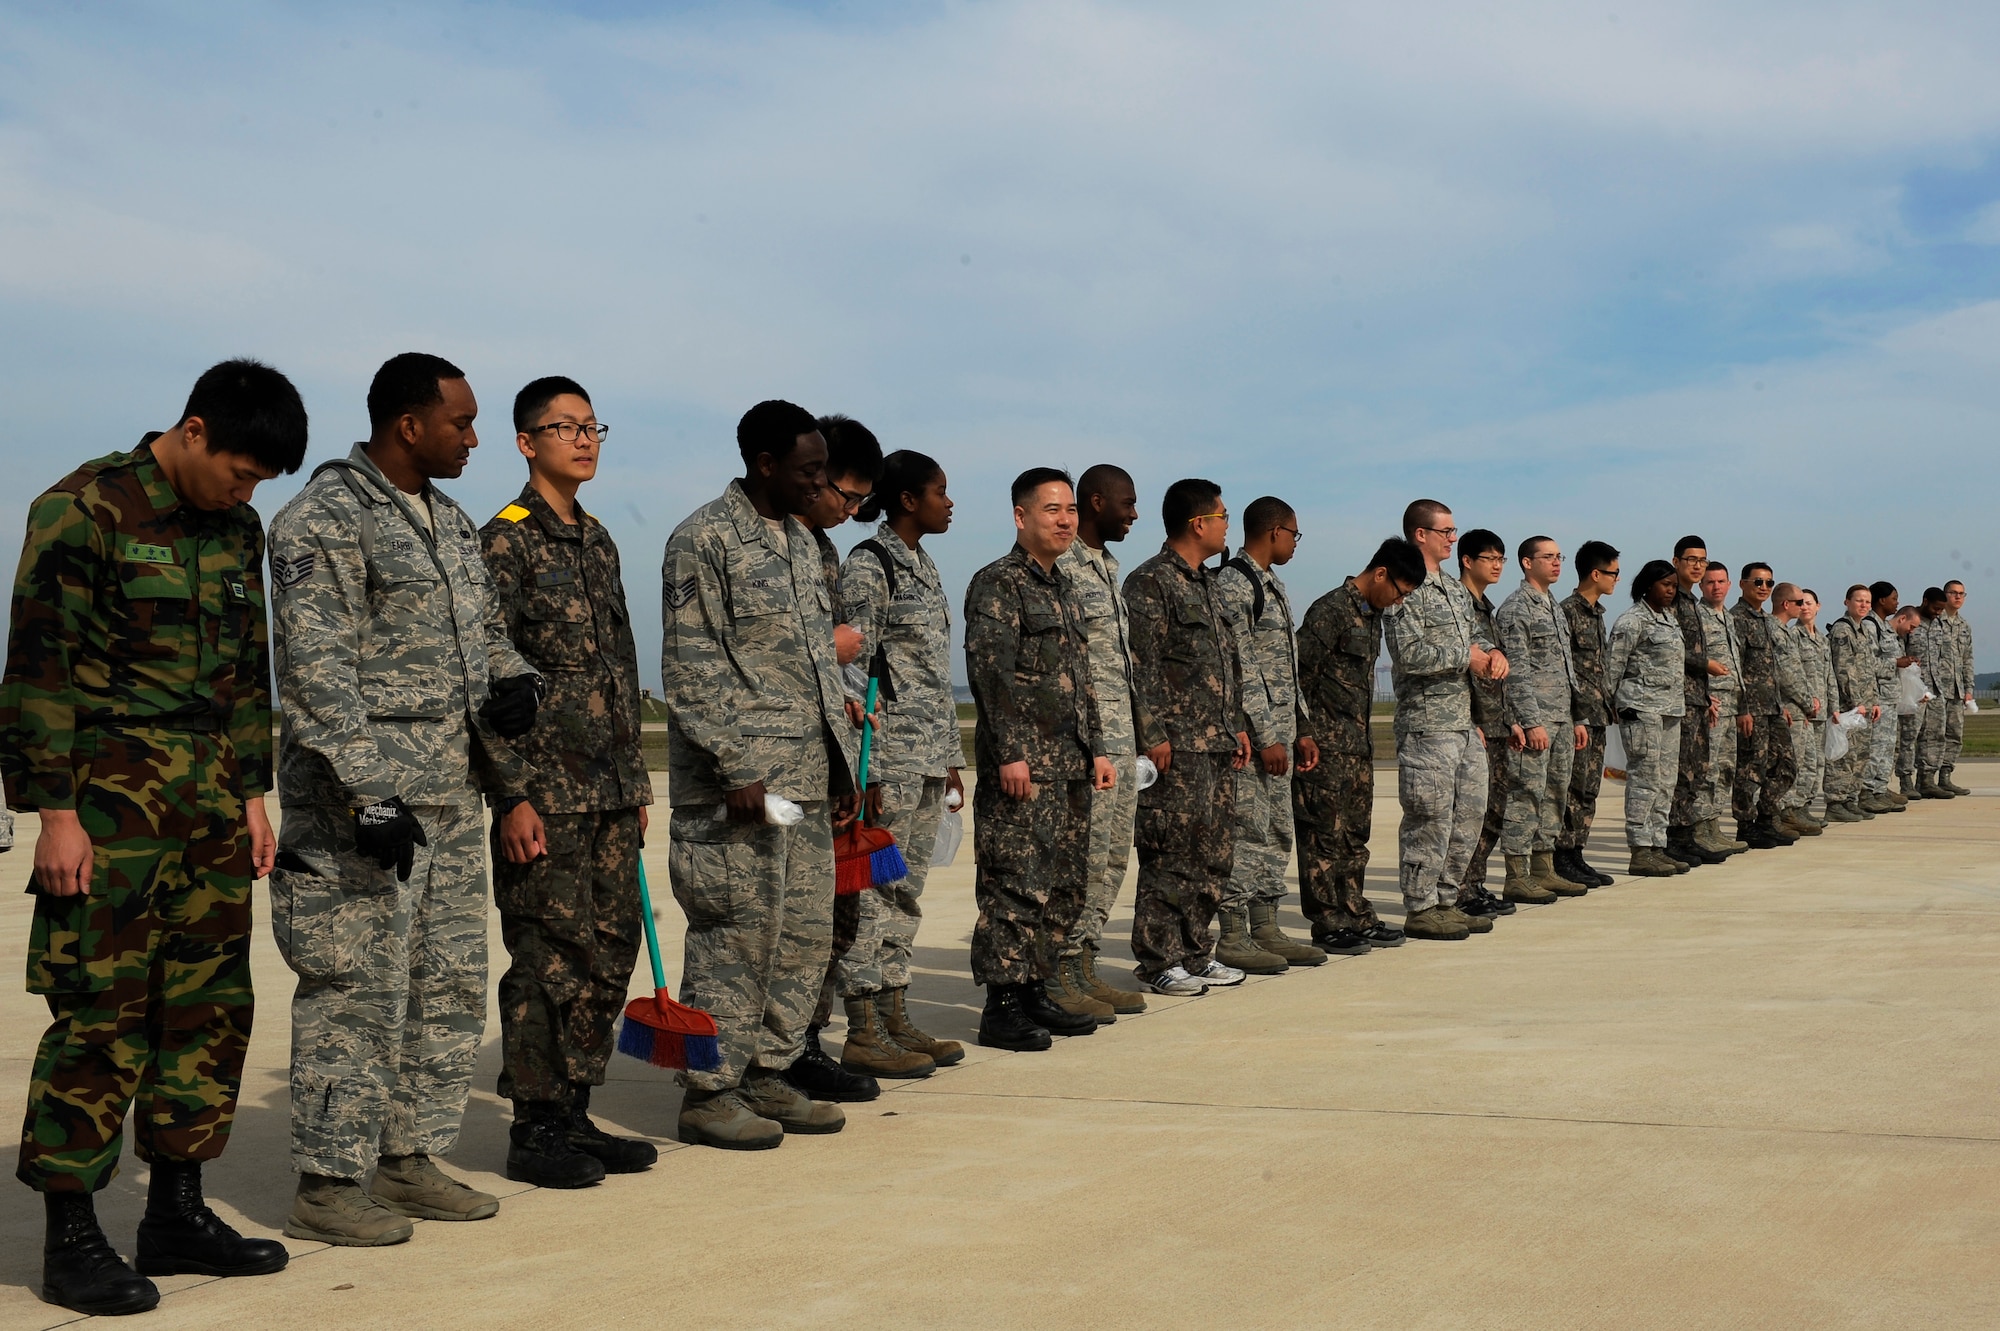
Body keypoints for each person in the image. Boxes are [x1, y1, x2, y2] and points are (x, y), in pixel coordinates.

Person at [1, 361, 305, 1315]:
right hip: (105, 805)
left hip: (211, 801)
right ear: (195, 428)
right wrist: (53, 813)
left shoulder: (235, 528)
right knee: (100, 1015)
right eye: (241, 470)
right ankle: (71, 1236)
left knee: (207, 1011)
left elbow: (246, 673)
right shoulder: (80, 510)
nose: (246, 490)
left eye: (261, 481)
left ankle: (177, 1212)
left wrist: (253, 793)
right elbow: (36, 669)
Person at [270, 353, 544, 1241]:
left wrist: (518, 682)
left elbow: (486, 641)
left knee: (446, 983)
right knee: (356, 989)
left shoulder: (452, 522)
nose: (473, 438)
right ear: (406, 425)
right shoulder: (323, 519)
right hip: (364, 813)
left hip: (449, 805)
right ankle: (327, 1179)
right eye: (460, 423)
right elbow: (317, 673)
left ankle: (408, 1156)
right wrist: (369, 792)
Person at [659, 399, 858, 1149]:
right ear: (765, 464)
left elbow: (810, 662)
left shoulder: (803, 545)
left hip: (804, 780)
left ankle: (770, 1069)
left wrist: (840, 765)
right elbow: (691, 661)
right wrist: (735, 764)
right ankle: (710, 1090)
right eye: (810, 470)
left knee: (801, 937)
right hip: (736, 787)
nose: (821, 483)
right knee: (733, 939)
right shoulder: (703, 540)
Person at [478, 376, 657, 1189]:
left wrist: (637, 784)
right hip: (545, 796)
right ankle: (536, 1122)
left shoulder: (601, 539)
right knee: (547, 956)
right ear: (526, 442)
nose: (584, 440)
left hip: (612, 788)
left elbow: (617, 670)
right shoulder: (506, 540)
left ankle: (577, 1106)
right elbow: (486, 678)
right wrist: (510, 792)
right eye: (565, 427)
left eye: (593, 427)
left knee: (609, 949)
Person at [962, 468, 1116, 1046]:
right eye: (1052, 509)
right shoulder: (998, 583)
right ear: (1020, 516)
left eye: (1071, 509)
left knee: (1063, 885)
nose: (1065, 520)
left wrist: (1096, 748)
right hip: (1024, 766)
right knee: (1014, 885)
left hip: (1069, 765)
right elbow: (990, 675)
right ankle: (1002, 1005)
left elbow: (1083, 680)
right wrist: (1009, 753)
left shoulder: (1066, 589)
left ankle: (1035, 989)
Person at [832, 448, 967, 1071]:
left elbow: (933, 675)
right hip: (885, 760)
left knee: (907, 893)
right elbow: (854, 670)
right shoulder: (870, 565)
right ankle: (862, 1028)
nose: (949, 502)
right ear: (908, 500)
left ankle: (895, 1017)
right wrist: (868, 771)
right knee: (874, 894)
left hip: (927, 756)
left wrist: (952, 756)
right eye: (940, 491)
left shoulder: (925, 566)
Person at [786, 414, 891, 1102]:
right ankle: (777, 1051)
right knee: (788, 925)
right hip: (780, 769)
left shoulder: (821, 550)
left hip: (834, 763)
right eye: (845, 495)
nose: (850, 512)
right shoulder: (752, 545)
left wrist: (845, 702)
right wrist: (832, 652)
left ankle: (807, 1043)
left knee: (834, 917)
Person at [1125, 478, 1254, 991]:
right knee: (1171, 854)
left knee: (1213, 855)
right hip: (1176, 748)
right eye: (1223, 517)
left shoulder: (1206, 583)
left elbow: (1225, 667)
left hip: (1217, 744)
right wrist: (1151, 732)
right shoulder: (1151, 582)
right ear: (1198, 523)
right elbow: (1138, 665)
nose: (1228, 525)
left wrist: (1237, 726)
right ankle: (1159, 960)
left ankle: (1197, 953)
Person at [1051, 464, 1154, 1015]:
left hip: (1119, 741)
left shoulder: (1107, 568)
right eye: (1127, 503)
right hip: (1085, 744)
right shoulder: (1062, 568)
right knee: (1083, 862)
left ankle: (1083, 965)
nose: (1134, 513)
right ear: (1096, 502)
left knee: (1112, 860)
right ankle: (1060, 970)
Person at [1213, 496, 1327, 970]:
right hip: (1256, 738)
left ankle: (1266, 926)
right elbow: (1239, 666)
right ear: (1274, 531)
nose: (1296, 543)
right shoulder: (1235, 584)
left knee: (1277, 830)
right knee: (1246, 831)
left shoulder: (1271, 583)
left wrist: (1300, 727)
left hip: (1281, 729)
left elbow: (1286, 666)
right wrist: (1263, 735)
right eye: (1294, 534)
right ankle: (1234, 934)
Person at [1293, 541, 1424, 953]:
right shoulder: (1329, 611)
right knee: (1322, 839)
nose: (1399, 601)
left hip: (1357, 747)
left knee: (1354, 837)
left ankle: (1356, 914)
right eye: (1399, 591)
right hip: (1323, 748)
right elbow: (1298, 676)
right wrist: (1302, 732)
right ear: (1380, 573)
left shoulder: (1372, 616)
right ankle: (1328, 922)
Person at [1385, 499, 1507, 942]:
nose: (1453, 539)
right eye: (1446, 531)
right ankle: (1420, 907)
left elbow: (1472, 637)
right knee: (1429, 817)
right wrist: (1468, 658)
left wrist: (1491, 653)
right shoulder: (1405, 586)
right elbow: (1407, 653)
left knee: (1469, 815)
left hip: (1462, 722)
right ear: (1421, 534)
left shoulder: (1454, 590)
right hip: (1427, 724)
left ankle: (1447, 899)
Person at [1496, 536, 1588, 903]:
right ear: (1525, 562)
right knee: (1526, 794)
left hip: (1561, 718)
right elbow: (1515, 672)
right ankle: (1517, 873)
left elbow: (1567, 668)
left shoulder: (1552, 605)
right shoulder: (1517, 608)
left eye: (1558, 556)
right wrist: (1530, 721)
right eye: (1547, 557)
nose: (1556, 563)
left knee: (1555, 795)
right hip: (1537, 719)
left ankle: (1543, 867)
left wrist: (1577, 717)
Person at [1458, 530, 1532, 917]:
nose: (1497, 565)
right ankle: (1461, 889)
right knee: (1469, 813)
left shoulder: (1487, 607)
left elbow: (1500, 677)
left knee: (1492, 813)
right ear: (1467, 560)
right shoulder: (1458, 605)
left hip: (1497, 724)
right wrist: (1475, 721)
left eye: (1501, 558)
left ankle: (1475, 884)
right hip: (1473, 727)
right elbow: (1463, 675)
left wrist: (1511, 721)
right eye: (1490, 558)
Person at [1603, 561, 1688, 877]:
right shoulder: (1632, 621)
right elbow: (1613, 667)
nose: (1670, 590)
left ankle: (1656, 845)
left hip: (1669, 710)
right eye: (1665, 584)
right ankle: (1639, 850)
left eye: (1674, 585)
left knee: (1666, 781)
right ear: (1647, 585)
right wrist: (1609, 709)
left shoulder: (1669, 620)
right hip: (1640, 711)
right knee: (1644, 779)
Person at [1556, 541, 1621, 887]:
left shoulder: (1597, 615)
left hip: (1597, 714)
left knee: (1588, 789)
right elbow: (1564, 671)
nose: (1616, 580)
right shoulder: (1567, 612)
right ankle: (1561, 854)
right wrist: (1574, 715)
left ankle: (1577, 852)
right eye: (1613, 573)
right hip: (1575, 716)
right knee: (1571, 789)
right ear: (1595, 574)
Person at [1667, 537, 1726, 868]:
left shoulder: (1689, 601)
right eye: (1690, 559)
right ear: (1676, 561)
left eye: (1702, 560)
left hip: (1696, 698)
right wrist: (1705, 666)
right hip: (1677, 700)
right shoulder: (1672, 597)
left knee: (1695, 772)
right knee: (1681, 773)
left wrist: (1706, 696)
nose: (1697, 565)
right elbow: (1669, 649)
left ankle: (1686, 837)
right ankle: (1675, 839)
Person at [1730, 563, 1797, 849]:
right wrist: (1742, 707)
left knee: (1786, 764)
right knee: (1751, 768)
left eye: (1769, 583)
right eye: (1758, 582)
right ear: (1743, 584)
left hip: (1771, 706)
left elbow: (1772, 669)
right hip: (1751, 708)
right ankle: (1746, 825)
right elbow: (1737, 667)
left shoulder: (1766, 620)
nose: (1764, 587)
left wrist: (1781, 704)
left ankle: (1767, 817)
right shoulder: (1736, 619)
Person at [1693, 562, 1749, 855]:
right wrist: (1703, 697)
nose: (1716, 587)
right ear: (1701, 587)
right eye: (1710, 582)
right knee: (1707, 770)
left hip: (1732, 704)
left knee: (1725, 769)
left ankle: (1715, 825)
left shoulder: (1728, 618)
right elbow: (1693, 661)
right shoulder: (1697, 617)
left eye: (1720, 581)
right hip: (1712, 704)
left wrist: (1743, 706)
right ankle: (1702, 828)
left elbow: (1737, 666)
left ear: (1729, 585)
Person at [1768, 584, 1824, 837]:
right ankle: (1785, 810)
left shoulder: (1784, 633)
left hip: (1801, 706)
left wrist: (1810, 700)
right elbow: (1785, 674)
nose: (1803, 607)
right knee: (1790, 764)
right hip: (1791, 706)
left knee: (1806, 761)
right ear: (1785, 604)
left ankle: (1796, 808)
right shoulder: (1775, 630)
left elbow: (1798, 672)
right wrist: (1806, 700)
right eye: (1799, 602)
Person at [1826, 585, 1884, 820]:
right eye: (1859, 600)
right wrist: (1856, 702)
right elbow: (1843, 670)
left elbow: (1868, 670)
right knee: (1845, 756)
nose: (1863, 605)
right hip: (1850, 705)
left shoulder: (1862, 631)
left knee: (1861, 754)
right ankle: (1836, 802)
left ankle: (1851, 797)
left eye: (1867, 602)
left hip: (1866, 705)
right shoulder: (1843, 630)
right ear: (1846, 602)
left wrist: (1875, 700)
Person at [1860, 582, 1911, 811]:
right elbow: (1868, 662)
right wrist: (1895, 662)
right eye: (1894, 598)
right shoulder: (1870, 626)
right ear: (1881, 600)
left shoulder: (1885, 627)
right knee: (1876, 746)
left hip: (1890, 697)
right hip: (1878, 696)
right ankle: (1867, 791)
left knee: (1888, 746)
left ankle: (1880, 787)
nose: (1896, 603)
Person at [1914, 587, 1962, 799]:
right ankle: (1907, 781)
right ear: (1925, 602)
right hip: (1915, 690)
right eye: (1935, 608)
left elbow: (1947, 658)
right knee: (1910, 737)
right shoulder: (1912, 622)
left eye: (1941, 609)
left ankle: (1928, 780)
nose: (1937, 612)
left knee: (1936, 735)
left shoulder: (1938, 626)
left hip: (1936, 689)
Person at [1938, 580, 1975, 794]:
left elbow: (1967, 659)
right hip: (1936, 690)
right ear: (1945, 595)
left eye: (1961, 593)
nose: (1958, 597)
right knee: (1931, 735)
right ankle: (1925, 779)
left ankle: (1945, 776)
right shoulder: (1934, 621)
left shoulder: (1964, 626)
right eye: (1953, 593)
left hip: (1957, 690)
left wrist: (1968, 688)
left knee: (1954, 735)